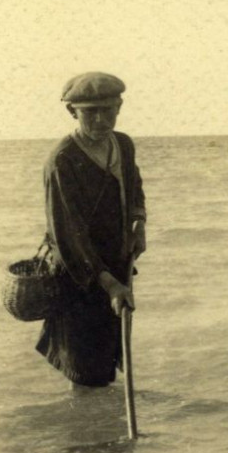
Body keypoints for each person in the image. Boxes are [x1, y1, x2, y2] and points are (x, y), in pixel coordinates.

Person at [36, 71, 147, 387]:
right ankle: (85, 431)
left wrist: (139, 224)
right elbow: (67, 233)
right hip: (78, 274)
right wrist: (110, 285)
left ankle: (99, 428)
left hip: (116, 264)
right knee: (83, 370)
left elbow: (135, 187)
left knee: (108, 359)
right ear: (73, 112)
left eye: (107, 110)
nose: (100, 119)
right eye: (90, 112)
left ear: (119, 107)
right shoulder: (62, 160)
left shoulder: (123, 145)